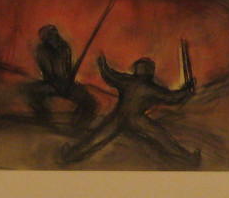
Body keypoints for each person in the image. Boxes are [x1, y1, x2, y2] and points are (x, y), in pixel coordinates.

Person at [59, 41, 200, 167]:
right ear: (150, 71)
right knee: (162, 137)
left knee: (97, 137)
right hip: (136, 119)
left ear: (137, 69)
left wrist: (102, 63)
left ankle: (69, 156)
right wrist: (187, 90)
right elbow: (173, 97)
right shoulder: (151, 88)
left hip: (119, 116)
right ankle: (189, 159)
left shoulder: (127, 81)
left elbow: (109, 74)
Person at [24, 24, 98, 130]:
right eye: (48, 36)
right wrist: (58, 83)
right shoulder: (42, 51)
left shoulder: (64, 47)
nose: (52, 38)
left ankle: (79, 126)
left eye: (53, 34)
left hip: (66, 83)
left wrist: (69, 80)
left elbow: (68, 69)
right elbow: (48, 72)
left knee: (91, 102)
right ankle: (44, 121)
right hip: (51, 84)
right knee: (30, 93)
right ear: (44, 39)